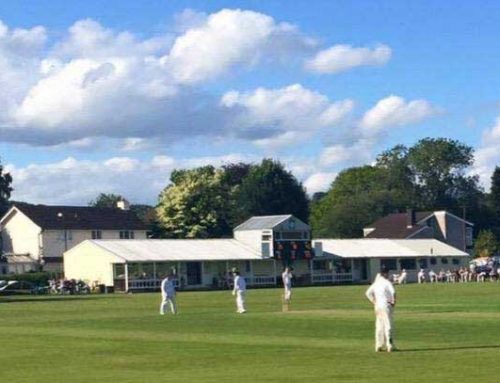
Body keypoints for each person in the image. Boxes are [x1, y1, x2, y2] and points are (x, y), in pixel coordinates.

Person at [365, 267, 396, 352]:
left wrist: (374, 301)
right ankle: (389, 345)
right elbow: (393, 292)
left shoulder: (376, 283)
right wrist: (394, 302)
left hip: (378, 306)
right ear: (385, 273)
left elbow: (367, 293)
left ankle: (379, 345)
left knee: (379, 325)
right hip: (386, 305)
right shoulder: (387, 282)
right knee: (388, 325)